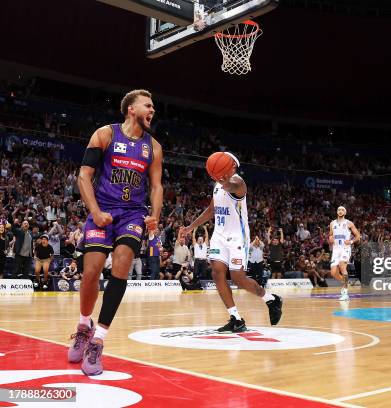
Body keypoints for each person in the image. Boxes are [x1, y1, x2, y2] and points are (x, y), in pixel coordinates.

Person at [67, 89, 163, 376]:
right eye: (148, 105)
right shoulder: (105, 135)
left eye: (153, 106)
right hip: (103, 210)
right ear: (130, 109)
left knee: (122, 263)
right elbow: (83, 175)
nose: (152, 110)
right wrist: (95, 212)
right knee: (91, 272)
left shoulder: (154, 147)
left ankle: (98, 341)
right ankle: (85, 325)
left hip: (133, 214)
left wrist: (155, 215)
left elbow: (156, 186)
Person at [181, 153, 282, 333]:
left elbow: (230, 186)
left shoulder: (238, 184)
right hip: (219, 235)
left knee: (238, 279)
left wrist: (221, 179)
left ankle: (271, 299)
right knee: (217, 273)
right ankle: (236, 318)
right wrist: (189, 228)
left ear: (231, 166)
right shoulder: (217, 186)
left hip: (237, 237)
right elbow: (211, 210)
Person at [329, 206, 361, 301]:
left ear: (345, 212)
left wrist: (351, 242)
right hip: (336, 249)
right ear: (337, 212)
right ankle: (345, 282)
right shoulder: (332, 223)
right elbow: (330, 235)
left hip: (345, 248)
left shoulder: (349, 223)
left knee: (342, 266)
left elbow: (358, 236)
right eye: (339, 209)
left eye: (342, 210)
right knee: (333, 272)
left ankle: (345, 292)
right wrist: (330, 238)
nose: (340, 211)